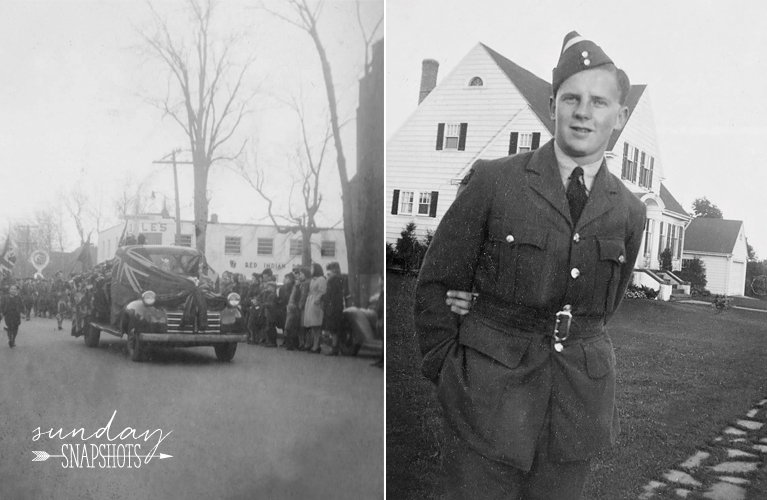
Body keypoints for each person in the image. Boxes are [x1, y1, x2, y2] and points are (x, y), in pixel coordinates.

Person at [413, 31, 646, 500]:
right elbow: (436, 284)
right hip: (488, 399)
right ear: (552, 103)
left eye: (599, 102)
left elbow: (604, 308)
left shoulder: (630, 210)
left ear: (619, 116)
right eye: (571, 98)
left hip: (576, 408)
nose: (583, 112)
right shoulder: (495, 181)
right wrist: (447, 369)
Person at [322, 262, 345, 356]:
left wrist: (324, 298)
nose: (329, 272)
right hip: (338, 306)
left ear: (334, 270)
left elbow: (329, 294)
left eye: (330, 270)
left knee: (333, 328)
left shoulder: (332, 280)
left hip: (331, 307)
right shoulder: (341, 280)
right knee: (335, 328)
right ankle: (335, 347)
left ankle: (334, 348)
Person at [303, 263, 326, 354]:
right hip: (310, 302)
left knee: (316, 325)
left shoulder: (321, 279)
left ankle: (316, 345)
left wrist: (316, 300)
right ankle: (314, 345)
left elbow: (322, 291)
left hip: (316, 303)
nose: (310, 270)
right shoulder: (313, 280)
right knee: (313, 326)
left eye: (312, 268)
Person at [277, 273, 295, 349]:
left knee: (288, 326)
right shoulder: (283, 287)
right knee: (284, 325)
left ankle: (289, 342)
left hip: (288, 307)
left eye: (287, 278)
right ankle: (286, 340)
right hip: (283, 307)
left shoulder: (291, 287)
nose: (285, 280)